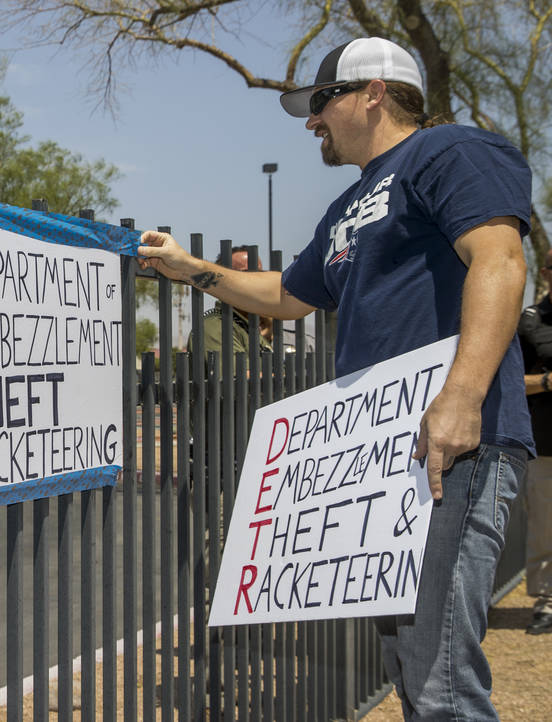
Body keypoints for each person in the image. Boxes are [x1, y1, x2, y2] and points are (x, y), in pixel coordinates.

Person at [138, 37, 532, 720]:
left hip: (454, 448)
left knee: (441, 680)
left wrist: (462, 398)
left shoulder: (450, 152)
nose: (311, 120)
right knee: (413, 674)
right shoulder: (348, 206)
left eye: (322, 101)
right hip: (387, 462)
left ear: (374, 92)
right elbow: (288, 295)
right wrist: (191, 269)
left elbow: (498, 261)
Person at [517, 249, 552, 634]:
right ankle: (547, 601)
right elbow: (509, 380)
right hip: (547, 443)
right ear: (546, 273)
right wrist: (546, 382)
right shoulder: (530, 323)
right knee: (547, 526)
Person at [187, 245, 273, 357]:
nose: (256, 280)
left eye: (260, 274)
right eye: (246, 274)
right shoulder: (216, 327)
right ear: (223, 283)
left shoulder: (252, 327)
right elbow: (239, 374)